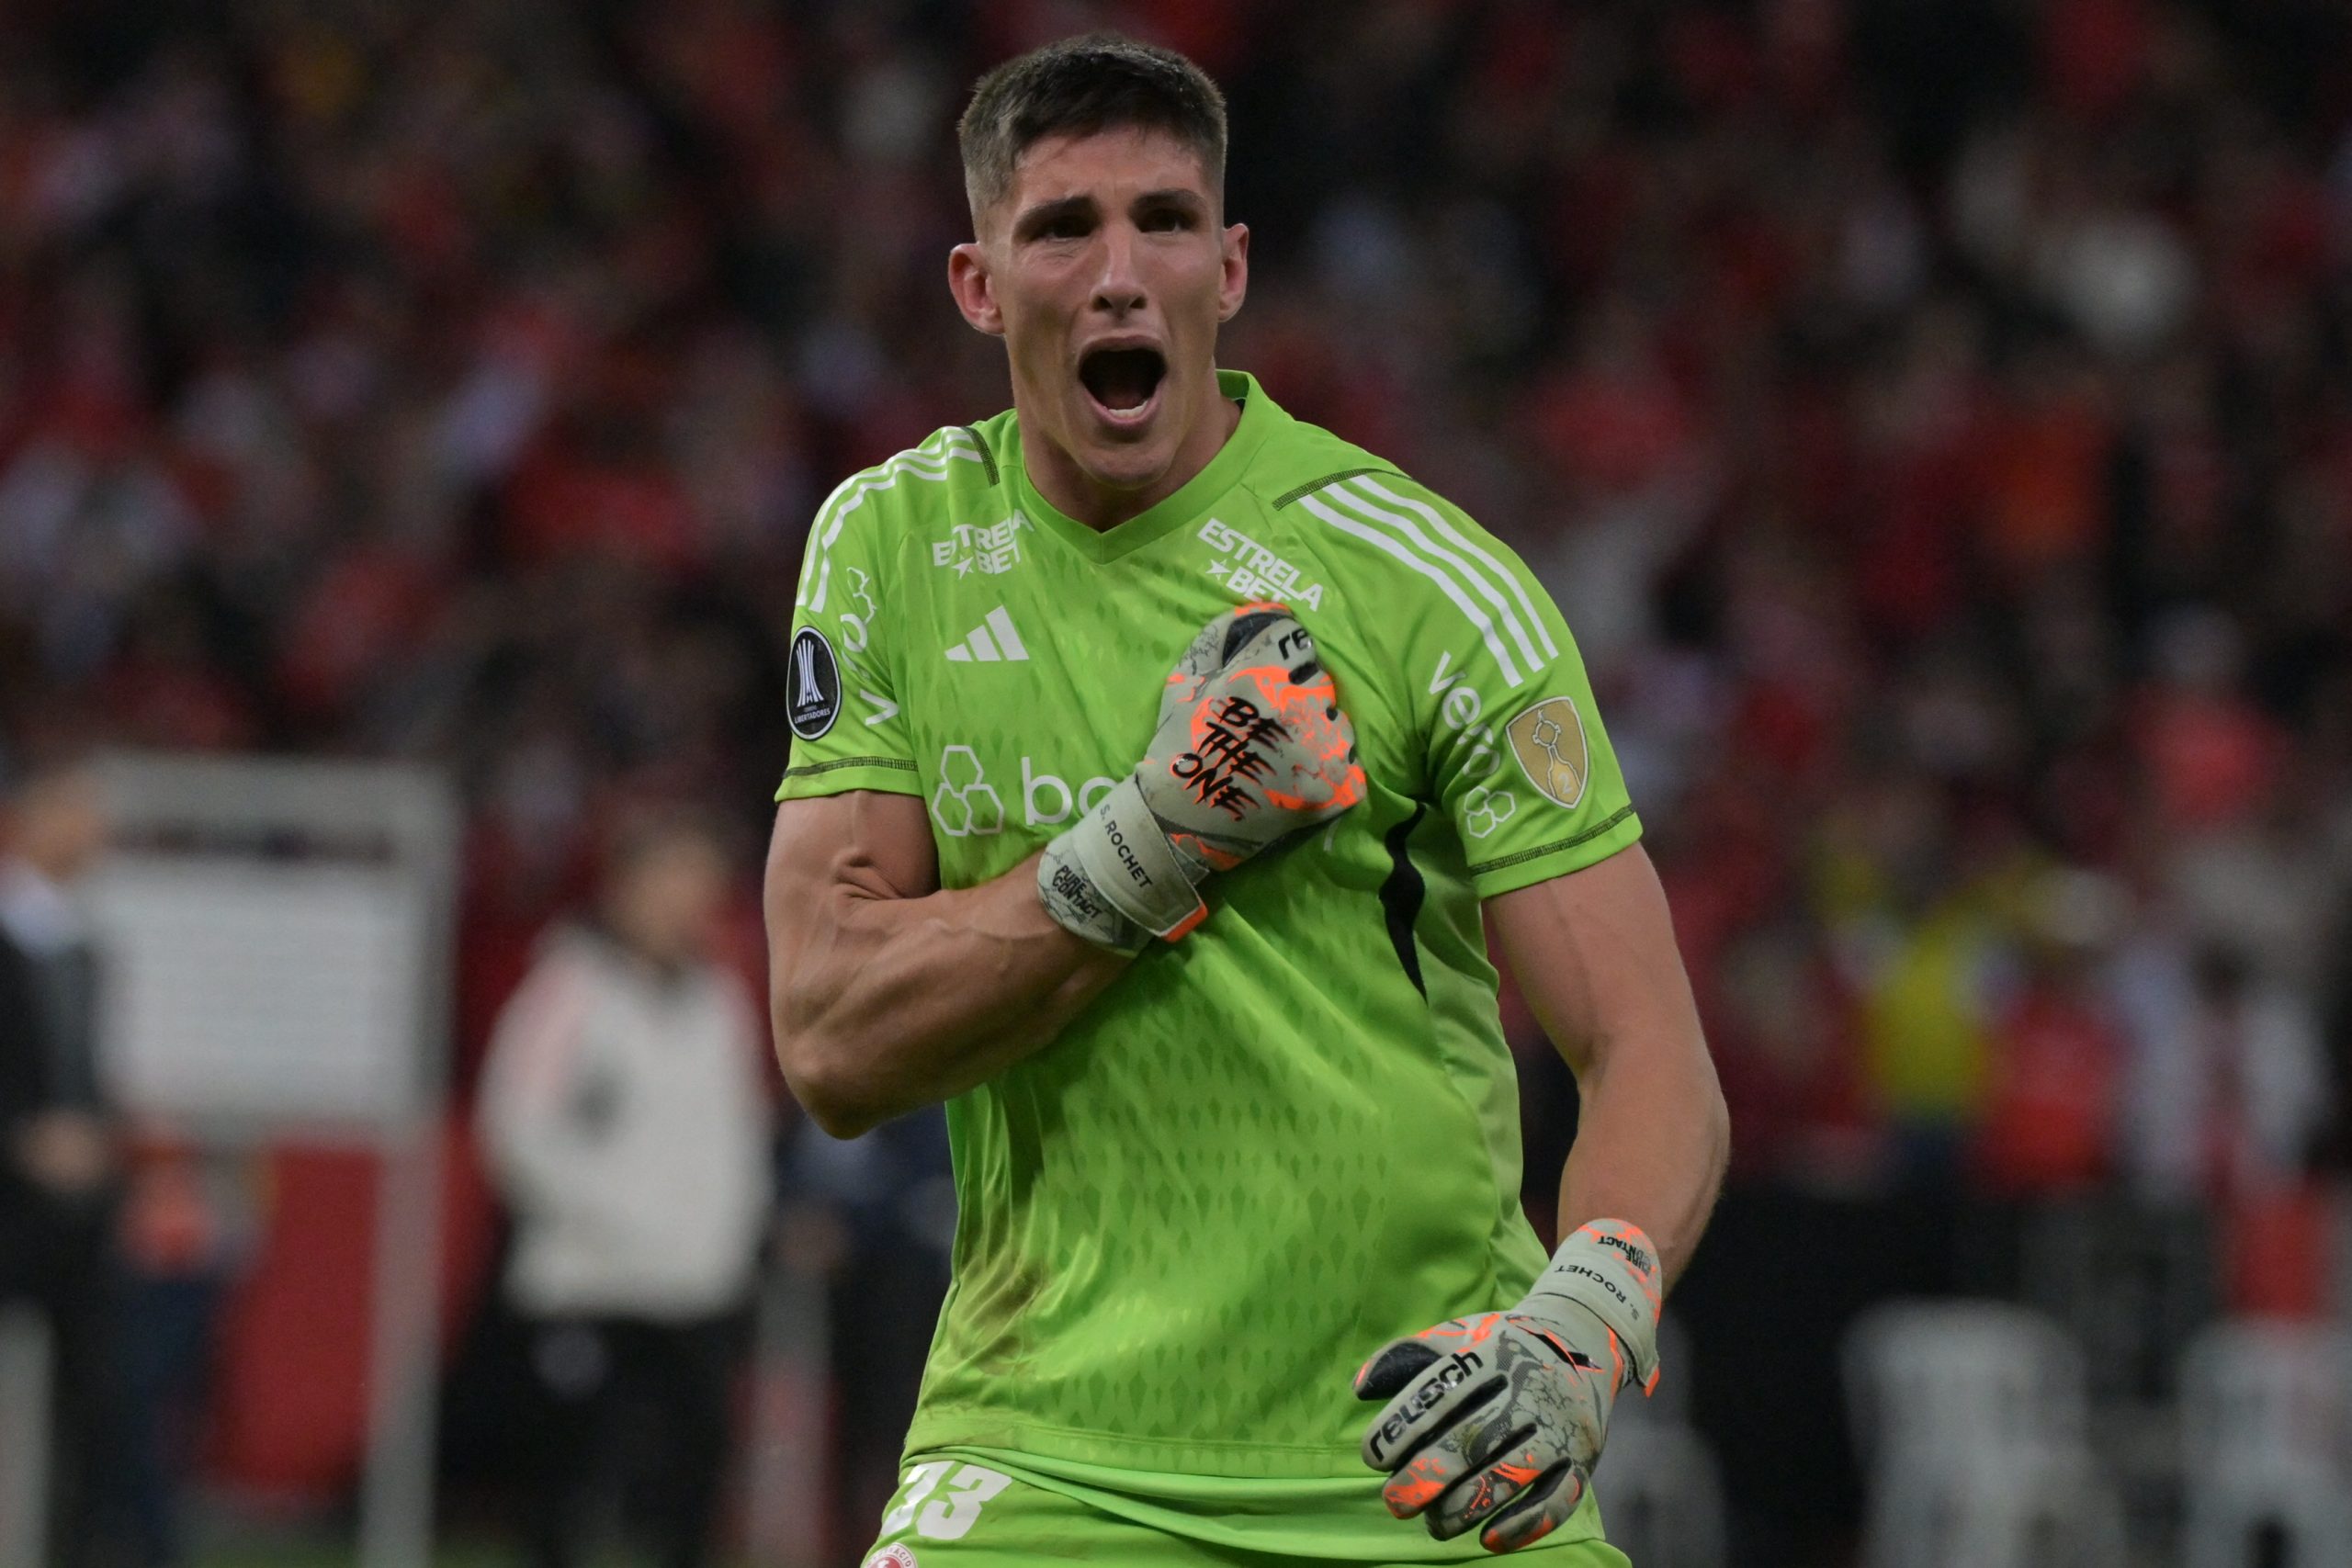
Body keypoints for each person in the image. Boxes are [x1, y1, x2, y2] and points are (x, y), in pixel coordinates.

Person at [764, 34, 1728, 1567]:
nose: (1120, 272)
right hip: (1048, 1453)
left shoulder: (1428, 585)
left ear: (1231, 268)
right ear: (976, 282)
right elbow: (829, 1036)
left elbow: (1645, 1045)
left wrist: (1584, 1321)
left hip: (1426, 1449)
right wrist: (1159, 835)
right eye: (1063, 227)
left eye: (1163, 222)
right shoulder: (889, 549)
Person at [477, 808, 774, 1568]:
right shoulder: (568, 990)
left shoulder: (719, 1001)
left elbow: (741, 1136)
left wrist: (726, 1238)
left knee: (688, 1506)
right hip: (589, 1289)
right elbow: (514, 1128)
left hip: (696, 1292)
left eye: (703, 887)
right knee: (569, 1504)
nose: (689, 903)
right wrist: (621, 1221)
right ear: (626, 886)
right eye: (675, 881)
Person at [0, 756, 123, 1568]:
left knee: (91, 1398)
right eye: (78, 813)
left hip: (76, 1211)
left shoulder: (82, 941)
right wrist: (21, 1132)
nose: (96, 834)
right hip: (9, 1200)